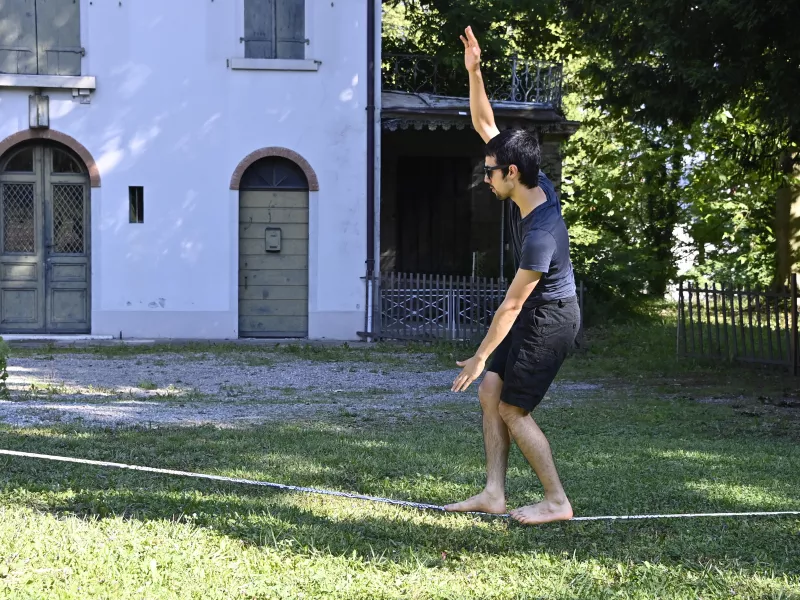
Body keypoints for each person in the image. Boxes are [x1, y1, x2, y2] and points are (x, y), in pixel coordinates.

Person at [447, 26, 581, 525]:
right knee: (489, 393)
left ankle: (556, 501)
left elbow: (511, 306)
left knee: (511, 408)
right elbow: (485, 123)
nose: (485, 178)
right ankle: (494, 493)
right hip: (536, 311)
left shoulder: (538, 235)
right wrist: (474, 70)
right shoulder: (533, 178)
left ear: (512, 174)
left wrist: (480, 356)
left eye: (490, 172)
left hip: (552, 319)